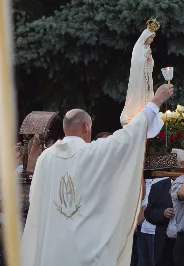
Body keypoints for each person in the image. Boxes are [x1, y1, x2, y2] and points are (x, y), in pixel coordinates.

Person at [21, 84, 174, 266]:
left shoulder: (46, 158)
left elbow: (35, 197)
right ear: (87, 127)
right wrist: (156, 101)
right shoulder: (93, 152)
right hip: (86, 252)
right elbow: (129, 135)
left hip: (51, 250)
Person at [145, 149, 184, 266]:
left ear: (182, 164)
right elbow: (148, 213)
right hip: (165, 243)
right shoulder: (158, 187)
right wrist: (162, 213)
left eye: (172, 162)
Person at [120, 18, 160, 126]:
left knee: (147, 95)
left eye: (152, 38)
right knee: (137, 95)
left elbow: (150, 64)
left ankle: (146, 112)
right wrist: (145, 57)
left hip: (146, 78)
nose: (152, 40)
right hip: (138, 78)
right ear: (145, 37)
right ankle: (135, 113)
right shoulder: (138, 47)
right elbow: (136, 63)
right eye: (151, 38)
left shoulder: (147, 47)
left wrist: (149, 59)